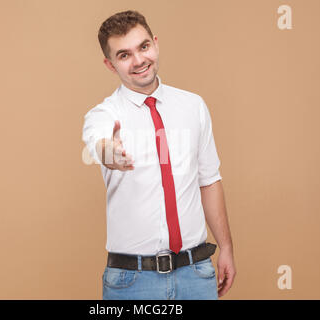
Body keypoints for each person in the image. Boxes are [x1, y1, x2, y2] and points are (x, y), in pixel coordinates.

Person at [82, 10, 236, 300]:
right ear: (110, 64)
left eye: (143, 47)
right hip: (132, 281)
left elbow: (209, 180)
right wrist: (110, 153)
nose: (139, 60)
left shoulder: (193, 106)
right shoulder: (103, 115)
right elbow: (99, 144)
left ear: (155, 43)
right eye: (124, 55)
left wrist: (226, 247)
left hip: (196, 272)